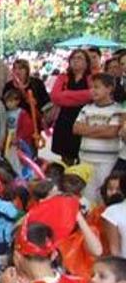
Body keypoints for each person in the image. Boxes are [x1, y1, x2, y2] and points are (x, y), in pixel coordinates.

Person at [73, 73, 123, 203]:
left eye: (97, 87)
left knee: (104, 191)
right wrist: (101, 129)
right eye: (92, 87)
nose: (93, 90)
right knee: (86, 193)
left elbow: (111, 132)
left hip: (106, 160)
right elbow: (76, 129)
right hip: (85, 158)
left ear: (109, 88)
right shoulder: (86, 108)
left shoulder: (117, 109)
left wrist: (88, 129)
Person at [51, 49, 94, 165]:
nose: (75, 61)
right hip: (64, 121)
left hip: (85, 121)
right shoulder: (63, 77)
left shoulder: (92, 78)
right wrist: (83, 96)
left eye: (79, 58)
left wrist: (66, 96)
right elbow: (55, 97)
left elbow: (94, 95)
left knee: (84, 158)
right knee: (66, 159)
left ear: (87, 62)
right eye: (73, 58)